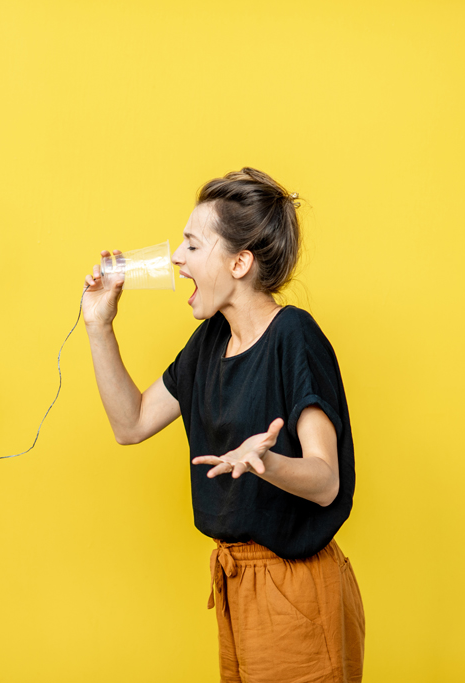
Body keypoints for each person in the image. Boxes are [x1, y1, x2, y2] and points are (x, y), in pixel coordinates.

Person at [82, 168, 364, 683]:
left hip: (294, 589)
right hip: (237, 583)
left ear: (239, 262)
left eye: (192, 244)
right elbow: (132, 423)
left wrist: (267, 462)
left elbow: (326, 482)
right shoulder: (210, 341)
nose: (176, 258)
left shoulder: (294, 337)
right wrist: (99, 325)